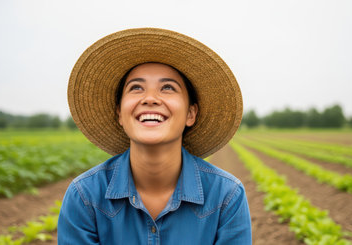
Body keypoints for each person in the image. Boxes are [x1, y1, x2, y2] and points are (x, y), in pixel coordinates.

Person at [58, 28, 251, 244]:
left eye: (168, 87)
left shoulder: (227, 196)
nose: (150, 98)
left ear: (190, 113)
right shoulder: (84, 196)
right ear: (119, 113)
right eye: (136, 88)